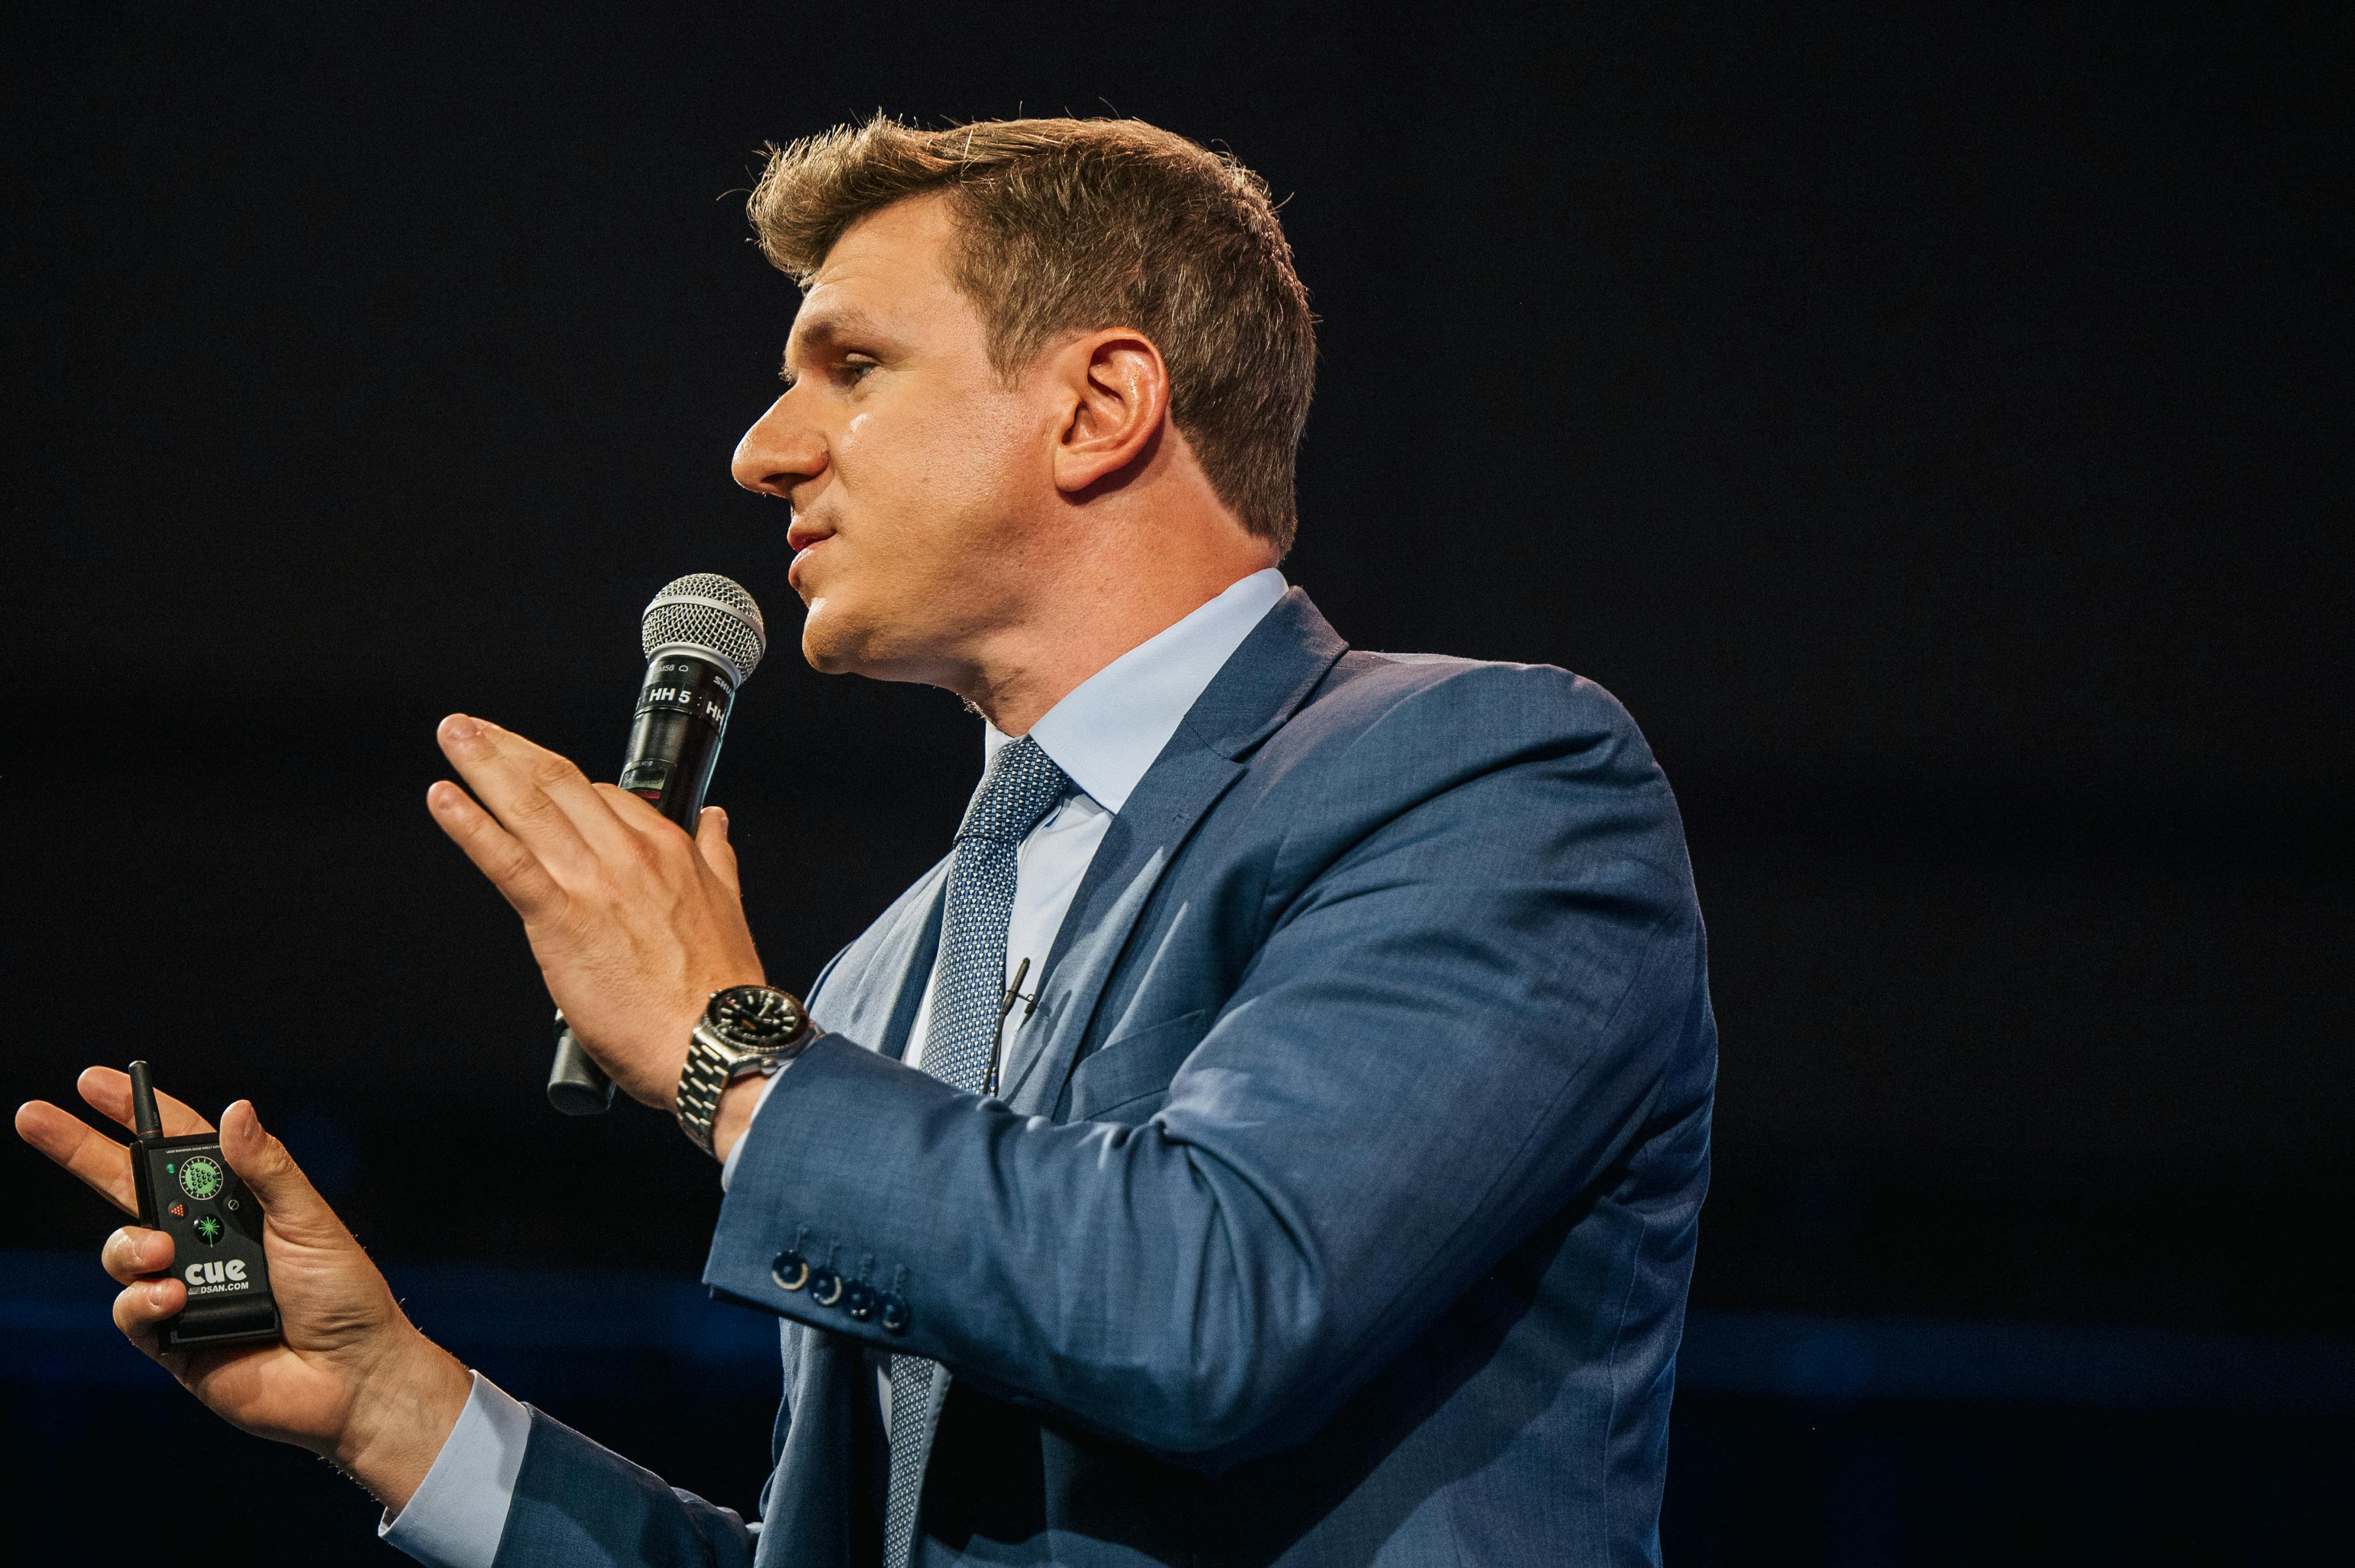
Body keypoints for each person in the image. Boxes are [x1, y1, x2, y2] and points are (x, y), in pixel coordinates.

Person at [17, 115, 1716, 1566]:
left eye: (853, 367)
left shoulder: (1488, 777)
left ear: (1099, 404)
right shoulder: (894, 964)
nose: (766, 452)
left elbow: (1222, 1302)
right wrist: (397, 1406)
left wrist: (722, 1049)